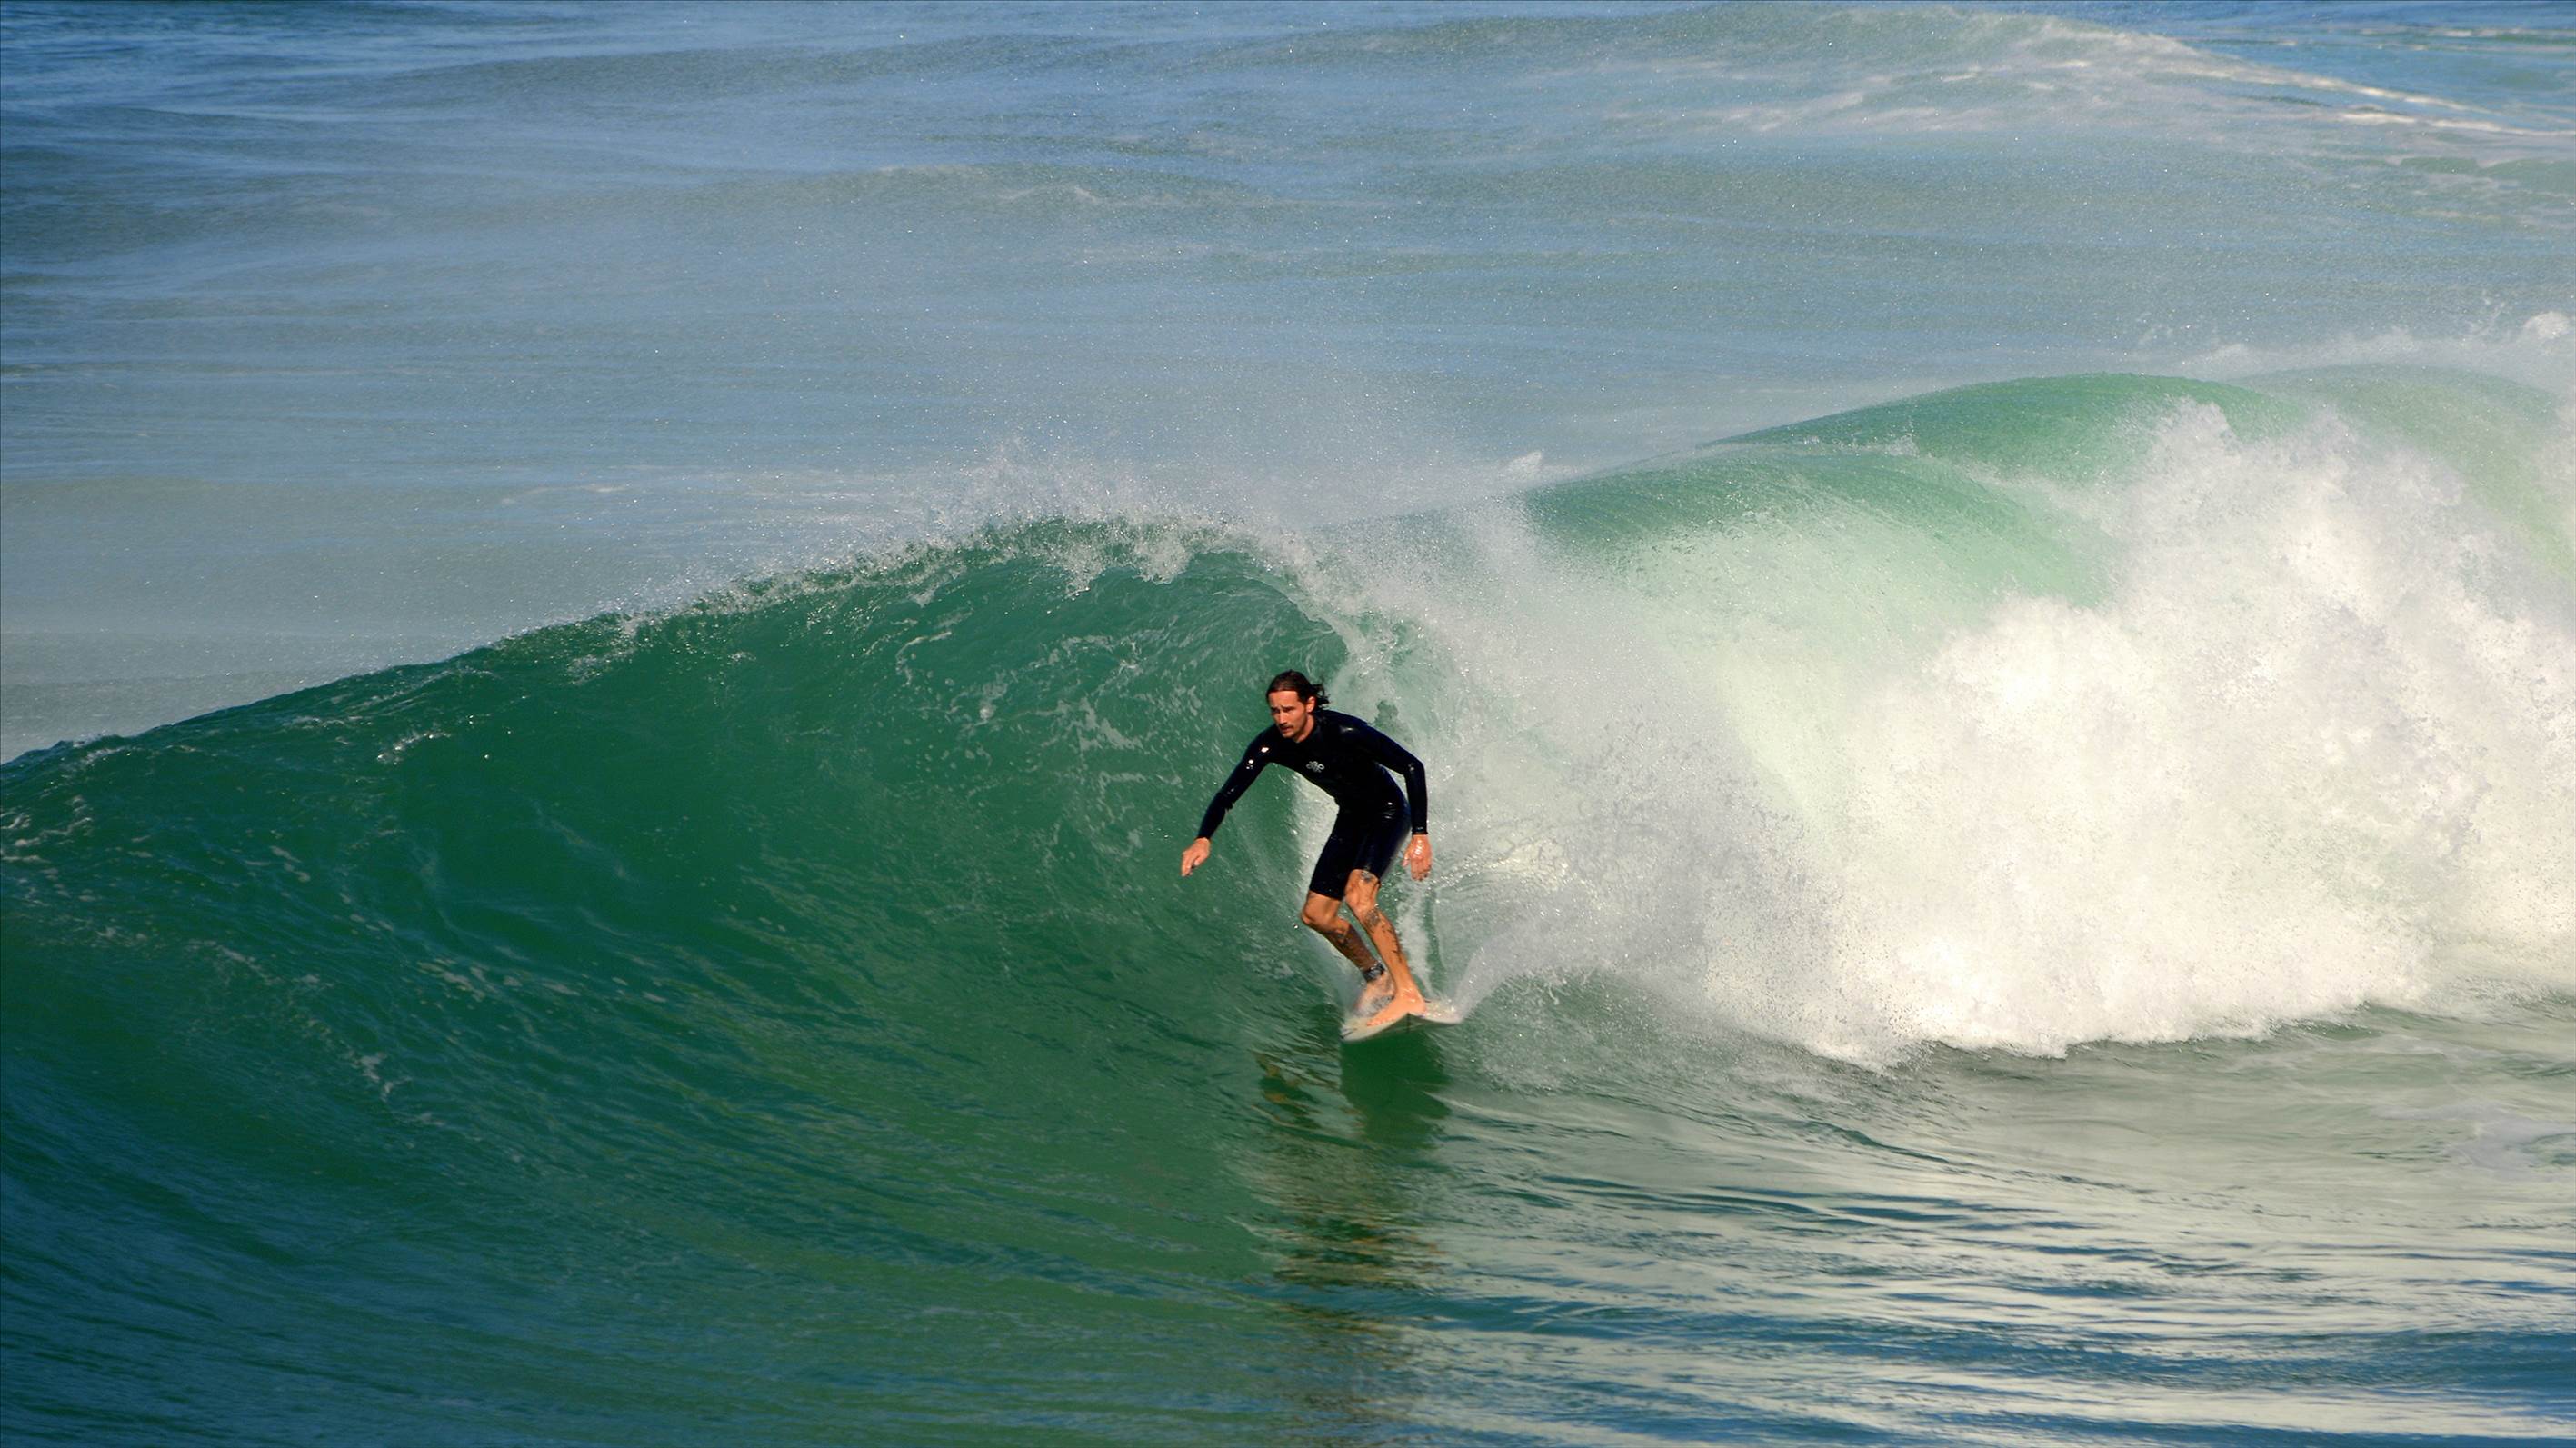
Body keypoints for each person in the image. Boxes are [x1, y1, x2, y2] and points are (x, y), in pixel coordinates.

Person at [1180, 670, 1433, 1030]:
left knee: (1359, 898)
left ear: (1309, 705)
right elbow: (1228, 795)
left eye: (1288, 710)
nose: (1281, 719)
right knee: (1317, 916)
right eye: (1275, 711)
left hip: (1388, 812)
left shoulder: (1344, 731)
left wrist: (1420, 834)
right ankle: (1377, 975)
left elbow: (1412, 766)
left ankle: (1409, 994)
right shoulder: (1271, 744)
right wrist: (1204, 837)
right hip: (1352, 816)